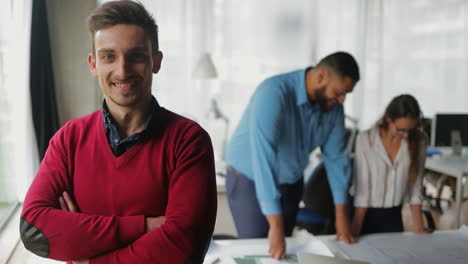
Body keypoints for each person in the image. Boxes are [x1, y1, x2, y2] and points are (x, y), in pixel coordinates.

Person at [20, 1, 217, 263]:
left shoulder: (189, 141)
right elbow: (34, 231)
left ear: (156, 62)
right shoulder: (69, 139)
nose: (122, 70)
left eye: (136, 56)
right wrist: (145, 226)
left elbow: (183, 245)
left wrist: (86, 249)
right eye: (108, 56)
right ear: (93, 64)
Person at [225, 51, 360, 259]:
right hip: (250, 179)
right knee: (260, 251)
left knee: (282, 252)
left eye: (346, 94)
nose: (342, 100)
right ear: (321, 76)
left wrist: (342, 215)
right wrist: (275, 225)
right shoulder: (273, 93)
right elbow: (264, 157)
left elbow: (336, 158)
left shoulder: (333, 107)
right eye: (339, 92)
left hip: (291, 181)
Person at [351, 94, 431, 236]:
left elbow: (415, 186)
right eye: (401, 129)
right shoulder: (365, 140)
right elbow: (362, 190)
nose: (406, 135)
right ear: (388, 119)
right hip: (365, 215)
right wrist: (355, 228)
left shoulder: (419, 140)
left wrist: (418, 227)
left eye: (410, 130)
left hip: (394, 215)